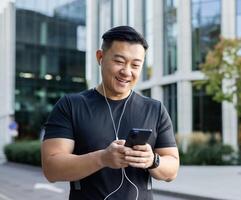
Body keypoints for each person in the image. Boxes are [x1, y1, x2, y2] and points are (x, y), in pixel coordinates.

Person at [41, 25, 179, 200]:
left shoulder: (155, 109)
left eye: (135, 65)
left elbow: (172, 169)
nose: (127, 72)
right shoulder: (70, 105)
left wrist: (153, 160)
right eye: (119, 61)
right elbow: (52, 168)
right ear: (100, 57)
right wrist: (102, 158)